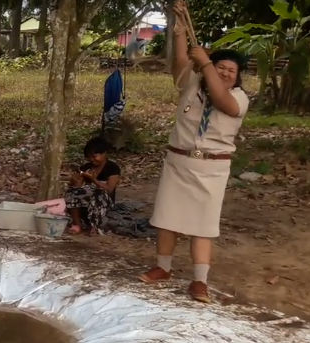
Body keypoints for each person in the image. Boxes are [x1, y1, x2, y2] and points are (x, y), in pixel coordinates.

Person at [138, 0, 250, 303]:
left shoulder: (239, 98)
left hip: (212, 169)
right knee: (167, 218)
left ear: (238, 77)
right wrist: (179, 29)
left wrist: (208, 64)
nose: (225, 73)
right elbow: (180, 64)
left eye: (231, 70)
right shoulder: (193, 83)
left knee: (203, 225)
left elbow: (221, 99)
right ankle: (163, 268)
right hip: (179, 162)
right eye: (221, 67)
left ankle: (199, 281)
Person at [64, 136, 121, 235]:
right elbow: (77, 189)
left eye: (95, 156)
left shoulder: (113, 168)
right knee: (71, 193)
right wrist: (74, 181)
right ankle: (78, 224)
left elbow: (109, 190)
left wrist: (94, 180)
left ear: (104, 153)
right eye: (89, 157)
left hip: (104, 201)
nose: (92, 159)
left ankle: (94, 227)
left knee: (97, 194)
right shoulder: (86, 167)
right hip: (86, 201)